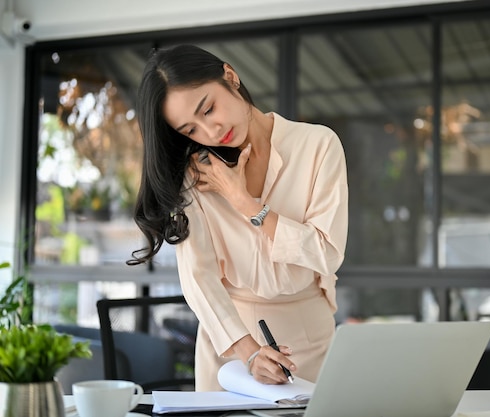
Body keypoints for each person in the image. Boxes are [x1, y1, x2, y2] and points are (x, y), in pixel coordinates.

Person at [128, 44, 349, 391]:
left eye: (209, 108)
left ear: (230, 77)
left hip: (309, 338)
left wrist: (245, 203)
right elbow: (198, 278)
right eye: (190, 130)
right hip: (232, 345)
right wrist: (248, 354)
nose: (211, 131)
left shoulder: (318, 145)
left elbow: (327, 253)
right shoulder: (195, 175)